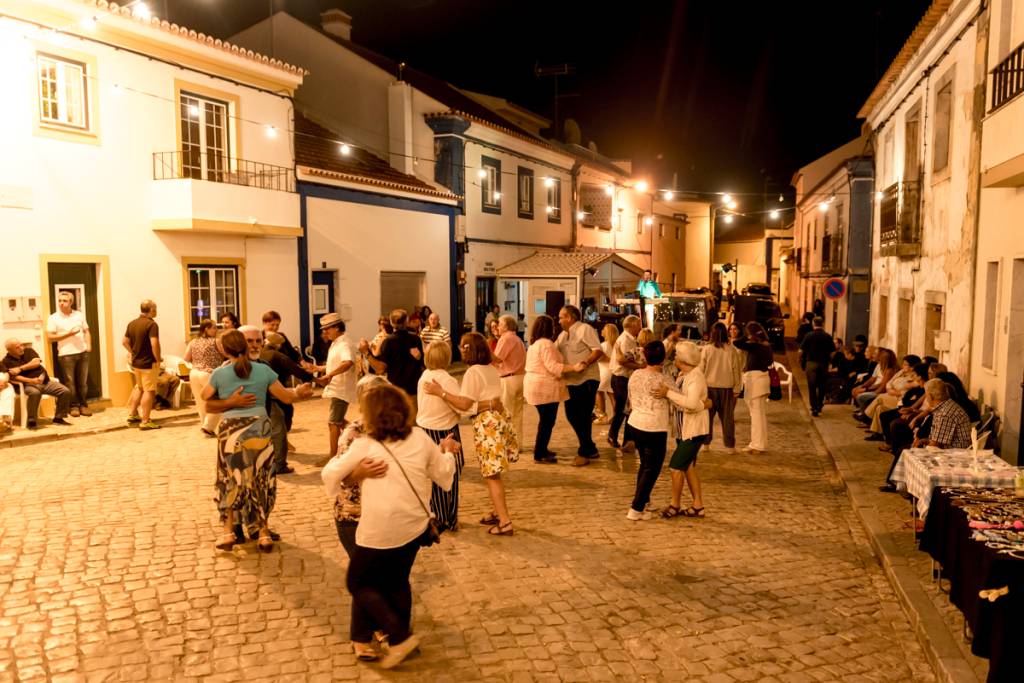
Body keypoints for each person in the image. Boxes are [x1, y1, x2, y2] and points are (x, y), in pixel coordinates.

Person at [322, 383, 457, 669]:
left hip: (380, 529)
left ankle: (398, 636)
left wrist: (353, 472)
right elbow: (444, 476)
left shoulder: (366, 445)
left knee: (357, 582)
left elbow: (330, 474)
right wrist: (447, 451)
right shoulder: (420, 438)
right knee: (397, 580)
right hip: (414, 526)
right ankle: (393, 638)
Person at [203, 330, 311, 551]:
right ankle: (263, 533)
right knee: (260, 478)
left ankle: (228, 533)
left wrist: (230, 402)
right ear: (244, 345)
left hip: (230, 432)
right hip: (259, 429)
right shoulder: (263, 371)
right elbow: (287, 397)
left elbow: (206, 398)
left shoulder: (220, 374)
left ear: (223, 350)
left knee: (229, 479)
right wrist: (300, 392)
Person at [320, 374, 389, 660]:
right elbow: (338, 477)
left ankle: (381, 627)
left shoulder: (391, 429)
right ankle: (363, 636)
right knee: (367, 575)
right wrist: (361, 472)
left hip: (383, 515)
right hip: (353, 515)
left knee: (381, 574)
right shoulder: (353, 434)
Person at [423, 332, 518, 536]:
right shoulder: (490, 368)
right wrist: (489, 403)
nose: (458, 350)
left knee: (491, 475)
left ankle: (505, 521)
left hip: (487, 426)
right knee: (494, 472)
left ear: (469, 350)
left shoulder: (473, 372)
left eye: (461, 347)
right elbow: (482, 400)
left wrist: (441, 392)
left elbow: (464, 404)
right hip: (497, 420)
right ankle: (496, 511)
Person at [416, 341, 464, 531]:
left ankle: (436, 510)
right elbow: (460, 404)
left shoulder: (424, 376)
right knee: (449, 471)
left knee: (436, 473)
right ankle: (446, 518)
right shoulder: (447, 380)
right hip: (445, 429)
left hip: (426, 427)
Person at [524, 315, 585, 464]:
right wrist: (574, 368)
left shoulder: (535, 344)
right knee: (547, 421)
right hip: (545, 387)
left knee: (545, 421)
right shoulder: (546, 344)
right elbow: (552, 366)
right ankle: (540, 453)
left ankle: (542, 449)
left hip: (535, 385)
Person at [662, 341, 711, 518]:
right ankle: (698, 506)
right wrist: (702, 404)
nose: (674, 357)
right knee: (688, 467)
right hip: (683, 429)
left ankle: (674, 504)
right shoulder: (684, 374)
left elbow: (690, 404)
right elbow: (691, 403)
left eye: (676, 354)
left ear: (683, 359)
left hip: (694, 431)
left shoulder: (695, 377)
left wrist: (667, 393)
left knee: (675, 467)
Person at [625, 341, 673, 520]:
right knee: (651, 468)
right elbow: (678, 399)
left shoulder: (636, 374)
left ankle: (643, 502)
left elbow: (630, 397)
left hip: (636, 423)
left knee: (645, 465)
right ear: (663, 358)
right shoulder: (664, 379)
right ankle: (636, 509)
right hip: (654, 427)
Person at [261, 332, 316, 474]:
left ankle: (270, 458)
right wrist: (314, 379)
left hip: (262, 398)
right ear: (279, 345)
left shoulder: (259, 355)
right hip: (275, 395)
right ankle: (279, 464)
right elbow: (296, 370)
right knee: (280, 428)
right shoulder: (277, 355)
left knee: (273, 426)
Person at [556, 305, 603, 466]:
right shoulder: (562, 336)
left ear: (570, 317)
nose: (559, 320)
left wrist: (585, 362)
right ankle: (589, 447)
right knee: (571, 414)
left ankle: (584, 452)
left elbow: (597, 350)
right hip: (571, 380)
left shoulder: (585, 329)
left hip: (587, 379)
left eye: (561, 317)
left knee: (583, 416)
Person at [2, 339, 72, 428]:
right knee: (35, 393)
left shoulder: (28, 351)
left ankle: (59, 418)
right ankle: (32, 420)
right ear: (10, 350)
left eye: (21, 345)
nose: (21, 348)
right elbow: (13, 377)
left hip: (46, 382)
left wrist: (20, 369)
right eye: (17, 347)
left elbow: (36, 362)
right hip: (27, 385)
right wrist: (30, 381)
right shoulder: (6, 361)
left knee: (65, 391)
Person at [316, 314, 357, 461]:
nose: (325, 332)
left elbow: (347, 363)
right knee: (338, 421)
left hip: (341, 389)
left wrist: (329, 375)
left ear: (337, 327)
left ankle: (333, 456)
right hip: (337, 388)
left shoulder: (344, 343)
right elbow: (334, 364)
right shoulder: (336, 343)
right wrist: (316, 368)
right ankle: (358, 432)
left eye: (327, 329)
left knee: (333, 423)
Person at [46, 291, 92, 417]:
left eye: (64, 301)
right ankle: (73, 406)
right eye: (60, 300)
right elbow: (50, 337)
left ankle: (83, 405)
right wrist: (69, 334)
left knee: (83, 382)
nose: (61, 303)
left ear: (71, 302)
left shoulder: (79, 315)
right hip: (66, 355)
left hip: (83, 353)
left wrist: (88, 346)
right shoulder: (53, 318)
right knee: (69, 382)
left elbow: (86, 331)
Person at [359, 310, 424, 398]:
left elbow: (380, 369)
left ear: (391, 322)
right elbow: (422, 364)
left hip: (396, 392)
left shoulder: (388, 341)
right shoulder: (416, 339)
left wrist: (366, 352)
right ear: (406, 321)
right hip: (414, 391)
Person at [700, 322, 741, 453]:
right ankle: (730, 446)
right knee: (727, 418)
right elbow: (736, 370)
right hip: (726, 388)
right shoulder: (731, 350)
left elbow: (701, 369)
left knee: (707, 418)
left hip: (709, 388)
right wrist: (737, 389)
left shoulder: (707, 349)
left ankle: (705, 444)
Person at [733, 322, 773, 454]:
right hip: (762, 380)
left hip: (755, 382)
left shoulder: (755, 346)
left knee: (756, 415)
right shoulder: (766, 346)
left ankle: (757, 445)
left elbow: (737, 343)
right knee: (759, 415)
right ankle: (759, 443)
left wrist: (747, 336)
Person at [123, 299, 162, 430]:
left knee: (139, 388)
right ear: (151, 310)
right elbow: (154, 343)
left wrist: (133, 352)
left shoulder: (132, 323)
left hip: (137, 363)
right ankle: (145, 420)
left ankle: (133, 414)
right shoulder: (152, 325)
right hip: (148, 363)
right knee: (149, 391)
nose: (156, 311)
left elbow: (124, 342)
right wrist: (158, 359)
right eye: (155, 308)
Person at [184, 319, 224, 436]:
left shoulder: (193, 342)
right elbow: (226, 354)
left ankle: (206, 427)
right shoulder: (216, 341)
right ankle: (207, 426)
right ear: (206, 329)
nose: (216, 330)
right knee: (217, 400)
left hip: (194, 373)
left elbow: (186, 358)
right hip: (209, 373)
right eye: (214, 327)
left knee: (200, 402)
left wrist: (198, 362)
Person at [609, 315, 643, 450]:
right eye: (638, 324)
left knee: (626, 410)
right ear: (631, 326)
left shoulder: (629, 339)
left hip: (623, 378)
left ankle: (627, 440)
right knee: (623, 410)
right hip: (621, 378)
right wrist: (640, 366)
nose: (640, 327)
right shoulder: (626, 340)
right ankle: (615, 436)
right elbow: (622, 360)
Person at [493, 315, 526, 445]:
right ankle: (517, 443)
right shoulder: (517, 339)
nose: (497, 326)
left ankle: (507, 443)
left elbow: (497, 358)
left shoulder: (505, 339)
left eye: (500, 324)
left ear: (506, 326)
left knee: (506, 412)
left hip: (509, 379)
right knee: (517, 414)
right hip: (520, 377)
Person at [914, 379, 972, 449]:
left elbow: (936, 446)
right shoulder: (945, 406)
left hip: (953, 454)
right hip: (949, 450)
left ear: (930, 396)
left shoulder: (945, 414)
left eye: (926, 395)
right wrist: (926, 441)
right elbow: (938, 440)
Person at [799, 317, 835, 417]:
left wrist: (801, 361)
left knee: (812, 386)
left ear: (813, 324)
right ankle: (819, 405)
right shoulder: (827, 336)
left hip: (811, 364)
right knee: (822, 385)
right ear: (822, 324)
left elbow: (801, 351)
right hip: (823, 364)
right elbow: (832, 353)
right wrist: (829, 361)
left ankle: (814, 407)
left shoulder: (809, 335)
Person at [595, 324, 619, 424]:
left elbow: (598, 358)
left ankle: (602, 416)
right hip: (613, 372)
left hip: (603, 372)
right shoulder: (617, 345)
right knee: (611, 394)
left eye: (604, 329)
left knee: (598, 392)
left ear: (608, 332)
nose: (601, 331)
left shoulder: (603, 345)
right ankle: (616, 417)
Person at [0, 370, 14, 436]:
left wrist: (4, 382)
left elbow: (6, 373)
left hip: (4, 385)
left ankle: (5, 418)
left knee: (7, 390)